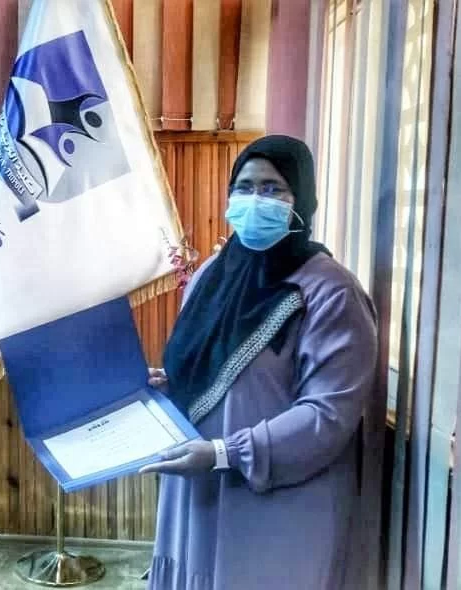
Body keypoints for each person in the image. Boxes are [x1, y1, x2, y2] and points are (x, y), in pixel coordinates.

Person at [140, 135, 377, 589]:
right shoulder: (212, 275)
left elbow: (328, 415)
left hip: (275, 507)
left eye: (273, 189)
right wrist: (170, 383)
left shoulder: (331, 291)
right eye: (245, 187)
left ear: (301, 199)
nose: (255, 200)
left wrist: (225, 454)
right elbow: (207, 368)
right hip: (196, 490)